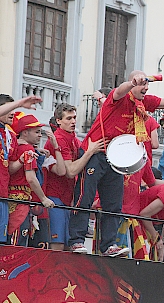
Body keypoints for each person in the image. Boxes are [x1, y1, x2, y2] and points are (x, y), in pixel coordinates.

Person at [68, 70, 164, 257]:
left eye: (147, 85)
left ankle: (108, 245)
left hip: (117, 158)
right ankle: (76, 241)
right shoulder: (117, 98)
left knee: (114, 203)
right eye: (143, 84)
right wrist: (132, 83)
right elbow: (120, 90)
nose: (146, 88)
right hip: (96, 151)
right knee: (85, 197)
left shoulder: (144, 103)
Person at [44, 103, 104, 251]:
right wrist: (90, 152)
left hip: (67, 197)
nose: (73, 121)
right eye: (69, 118)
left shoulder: (71, 137)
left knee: (66, 246)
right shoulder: (59, 138)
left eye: (75, 118)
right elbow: (70, 171)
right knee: (57, 245)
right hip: (55, 197)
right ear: (58, 120)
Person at [7, 114, 56, 246]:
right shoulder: (28, 150)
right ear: (25, 132)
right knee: (18, 243)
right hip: (21, 202)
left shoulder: (15, 147)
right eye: (37, 132)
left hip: (10, 199)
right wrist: (44, 199)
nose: (40, 135)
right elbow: (31, 178)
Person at [0, 94, 43, 243]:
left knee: (4, 243)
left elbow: (9, 168)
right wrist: (19, 103)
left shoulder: (10, 136)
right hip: (14, 198)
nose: (13, 112)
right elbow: (31, 178)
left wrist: (21, 159)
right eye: (9, 108)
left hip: (3, 194)